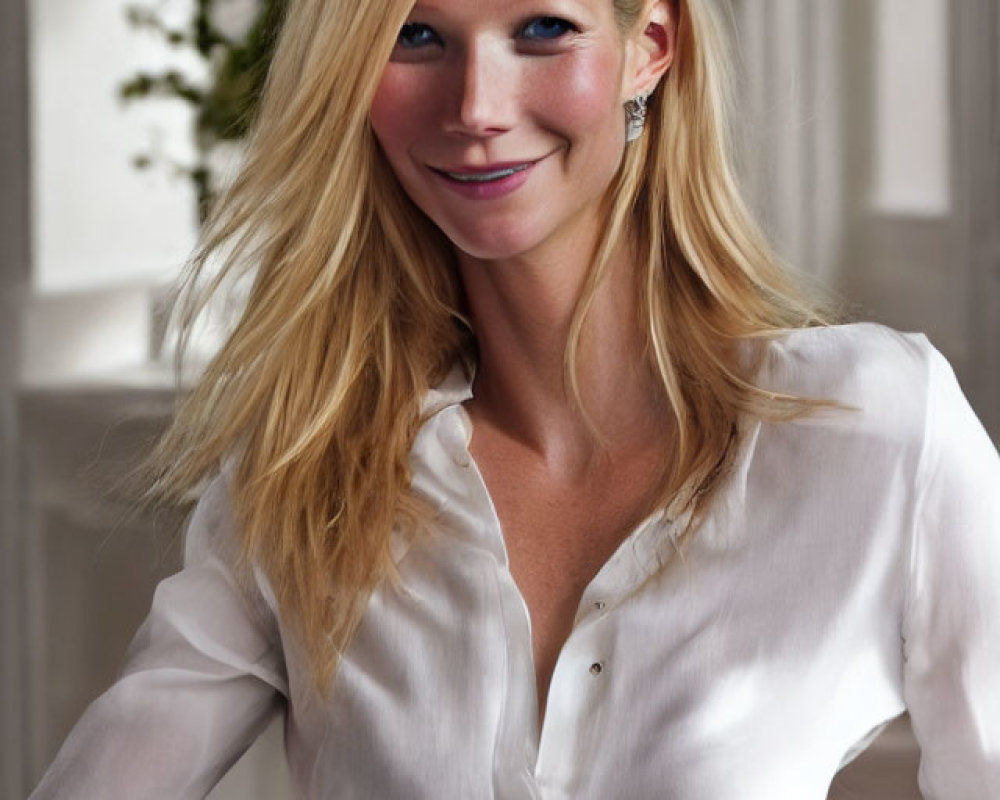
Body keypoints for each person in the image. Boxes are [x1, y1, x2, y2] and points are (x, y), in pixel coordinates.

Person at [31, 0, 1000, 797]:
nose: (477, 106)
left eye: (541, 28)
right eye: (415, 34)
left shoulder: (876, 428)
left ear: (647, 49)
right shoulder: (303, 476)